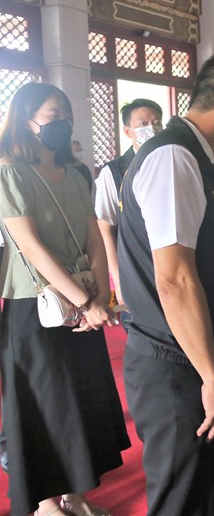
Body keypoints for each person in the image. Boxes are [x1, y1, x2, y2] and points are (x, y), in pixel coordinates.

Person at [117, 51, 214, 515]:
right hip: (180, 369)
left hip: (198, 363)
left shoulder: (198, 159)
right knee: (184, 500)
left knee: (206, 495)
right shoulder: (174, 159)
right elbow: (175, 280)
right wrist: (211, 375)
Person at [0, 82, 129, 516]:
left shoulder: (78, 174)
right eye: (52, 117)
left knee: (83, 400)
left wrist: (98, 293)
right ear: (26, 120)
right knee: (43, 403)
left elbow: (95, 237)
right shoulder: (9, 172)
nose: (61, 124)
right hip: (35, 308)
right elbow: (31, 247)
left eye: (66, 116)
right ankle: (43, 501)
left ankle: (75, 493)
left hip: (83, 304)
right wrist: (83, 302)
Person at [94, 98, 164, 303]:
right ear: (127, 131)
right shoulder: (113, 172)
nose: (152, 128)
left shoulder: (169, 163)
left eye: (157, 122)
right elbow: (106, 227)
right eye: (143, 124)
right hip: (135, 266)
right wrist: (118, 280)